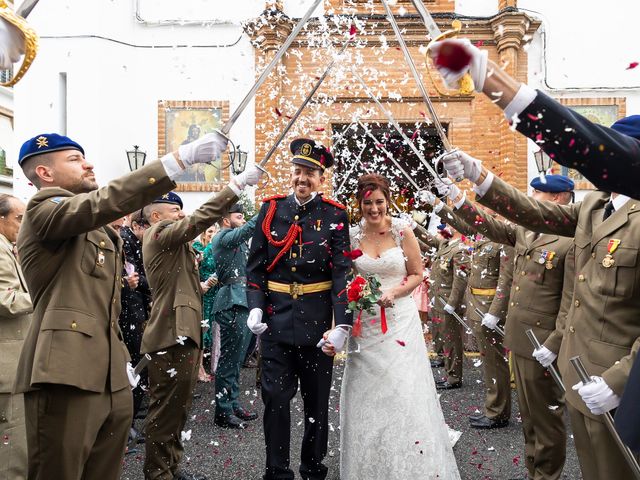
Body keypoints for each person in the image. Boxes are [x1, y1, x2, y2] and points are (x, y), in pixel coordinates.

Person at [14, 130, 228, 480]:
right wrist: (178, 161)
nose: (88, 163)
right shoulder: (44, 208)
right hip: (65, 370)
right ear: (45, 174)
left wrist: (118, 361)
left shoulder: (98, 230)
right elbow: (102, 203)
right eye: (74, 159)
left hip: (110, 372)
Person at [439, 145, 640, 479]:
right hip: (562, 355)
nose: (598, 161)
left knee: (611, 463)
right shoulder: (595, 206)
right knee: (577, 453)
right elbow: (515, 216)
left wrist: (561, 343)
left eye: (607, 152)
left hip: (600, 363)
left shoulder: (611, 220)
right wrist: (475, 181)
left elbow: (571, 295)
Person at [321, 174, 460, 479]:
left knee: (402, 389)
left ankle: (411, 459)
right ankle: (370, 461)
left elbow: (417, 273)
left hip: (399, 321)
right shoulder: (351, 236)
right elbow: (343, 283)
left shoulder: (402, 231)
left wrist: (394, 292)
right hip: (366, 325)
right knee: (367, 392)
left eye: (379, 202)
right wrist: (336, 326)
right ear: (360, 203)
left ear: (388, 200)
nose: (374, 209)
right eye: (368, 203)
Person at [435, 175, 575, 477]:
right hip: (521, 336)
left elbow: (571, 299)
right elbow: (488, 226)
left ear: (560, 198)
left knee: (547, 419)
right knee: (529, 418)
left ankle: (547, 475)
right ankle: (533, 470)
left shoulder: (571, 239)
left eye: (539, 193)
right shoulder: (527, 230)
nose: (532, 197)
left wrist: (555, 342)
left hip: (545, 341)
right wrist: (458, 199)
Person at [141, 162, 261, 480]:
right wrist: (234, 186)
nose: (182, 216)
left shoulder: (174, 244)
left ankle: (171, 466)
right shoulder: (159, 233)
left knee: (178, 410)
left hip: (182, 331)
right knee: (165, 411)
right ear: (156, 216)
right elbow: (198, 221)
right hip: (169, 333)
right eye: (175, 211)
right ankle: (158, 473)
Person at [246, 138, 352, 480]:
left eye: (310, 172)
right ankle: (277, 471)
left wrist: (343, 325)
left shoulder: (335, 215)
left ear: (321, 178)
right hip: (275, 323)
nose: (302, 178)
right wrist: (255, 308)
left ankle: (312, 468)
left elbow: (340, 274)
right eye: (297, 171)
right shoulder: (271, 210)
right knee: (275, 399)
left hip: (317, 325)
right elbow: (256, 269)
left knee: (316, 404)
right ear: (290, 174)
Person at [428, 38, 640, 199]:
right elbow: (530, 212)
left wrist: (488, 76)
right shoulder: (597, 207)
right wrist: (477, 175)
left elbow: (592, 146)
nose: (534, 195)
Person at [210, 203, 258, 429]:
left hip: (243, 300)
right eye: (237, 214)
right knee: (229, 360)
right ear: (225, 219)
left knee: (238, 359)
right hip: (231, 301)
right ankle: (223, 411)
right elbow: (248, 229)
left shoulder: (237, 241)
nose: (242, 217)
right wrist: (268, 209)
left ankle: (233, 402)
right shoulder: (223, 236)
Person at [113, 212, 152, 447]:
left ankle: (130, 423)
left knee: (138, 368)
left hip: (135, 312)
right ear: (138, 225)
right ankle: (125, 428)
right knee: (133, 368)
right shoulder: (126, 241)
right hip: (127, 313)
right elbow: (131, 279)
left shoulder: (134, 242)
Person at [0, 194, 32, 480]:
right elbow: (6, 301)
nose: (24, 224)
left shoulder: (8, 247)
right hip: (7, 362)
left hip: (15, 359)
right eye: (19, 218)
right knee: (11, 449)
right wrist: (43, 291)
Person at [427, 220, 471, 389]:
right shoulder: (446, 245)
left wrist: (453, 303)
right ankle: (448, 371)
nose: (445, 228)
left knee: (452, 341)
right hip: (440, 300)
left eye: (449, 225)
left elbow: (460, 279)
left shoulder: (460, 250)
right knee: (445, 339)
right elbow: (429, 240)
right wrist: (414, 227)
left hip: (449, 302)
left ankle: (454, 378)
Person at [193, 225, 219, 383]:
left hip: (214, 293)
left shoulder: (215, 248)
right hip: (201, 292)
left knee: (211, 329)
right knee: (201, 331)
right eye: (209, 232)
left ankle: (210, 364)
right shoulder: (197, 248)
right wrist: (212, 244)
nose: (212, 235)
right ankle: (198, 367)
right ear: (202, 234)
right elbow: (196, 265)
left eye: (214, 232)